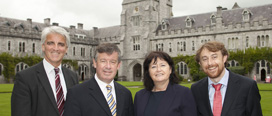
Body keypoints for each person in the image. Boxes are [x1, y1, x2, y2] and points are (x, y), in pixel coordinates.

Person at [11, 26, 79, 116]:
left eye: (61, 44)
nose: (56, 48)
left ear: (66, 49)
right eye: (51, 43)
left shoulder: (72, 77)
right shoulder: (25, 78)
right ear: (43, 46)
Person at [191, 41, 262, 116]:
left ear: (224, 58)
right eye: (205, 59)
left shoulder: (247, 86)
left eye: (214, 57)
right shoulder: (196, 89)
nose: (210, 63)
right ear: (200, 63)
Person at [64, 43, 134, 116]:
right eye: (103, 61)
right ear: (94, 63)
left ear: (118, 65)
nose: (108, 66)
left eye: (112, 62)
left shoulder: (126, 94)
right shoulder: (76, 93)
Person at [134, 51, 197, 116]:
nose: (158, 69)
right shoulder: (140, 96)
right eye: (153, 67)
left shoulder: (183, 93)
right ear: (148, 72)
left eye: (162, 65)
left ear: (170, 69)